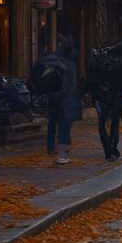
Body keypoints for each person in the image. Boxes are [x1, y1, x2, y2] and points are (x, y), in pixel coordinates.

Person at [41, 36, 79, 164]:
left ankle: (51, 147)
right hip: (65, 98)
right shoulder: (70, 64)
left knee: (52, 122)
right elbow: (72, 84)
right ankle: (62, 154)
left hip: (53, 96)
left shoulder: (53, 61)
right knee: (64, 125)